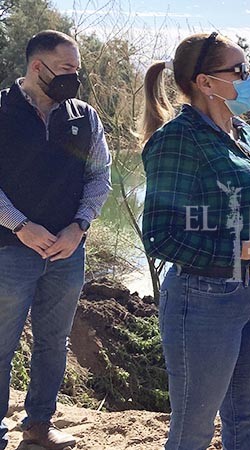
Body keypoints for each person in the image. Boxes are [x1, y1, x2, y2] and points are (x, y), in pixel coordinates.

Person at [140, 32, 250, 449]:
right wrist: (249, 249)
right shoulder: (178, 140)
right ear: (205, 82)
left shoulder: (244, 133)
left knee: (245, 416)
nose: (249, 78)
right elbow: (161, 236)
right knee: (193, 430)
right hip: (203, 300)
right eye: (238, 70)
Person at [0, 30, 111, 450]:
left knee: (53, 342)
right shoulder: (2, 109)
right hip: (9, 250)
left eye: (76, 71)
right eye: (67, 70)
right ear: (36, 67)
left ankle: (38, 426)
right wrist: (20, 225)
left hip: (67, 253)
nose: (74, 78)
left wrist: (79, 226)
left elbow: (99, 177)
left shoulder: (83, 115)